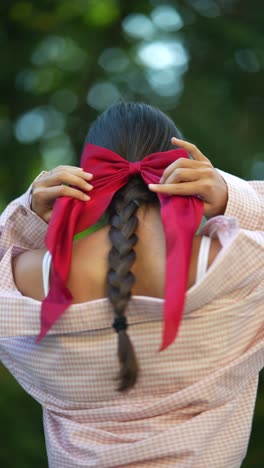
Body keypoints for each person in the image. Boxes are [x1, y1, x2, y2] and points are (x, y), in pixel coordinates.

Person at [0, 102, 263, 467]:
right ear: (183, 169)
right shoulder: (241, 267)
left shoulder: (27, 279)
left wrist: (25, 212)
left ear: (86, 177)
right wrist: (232, 197)